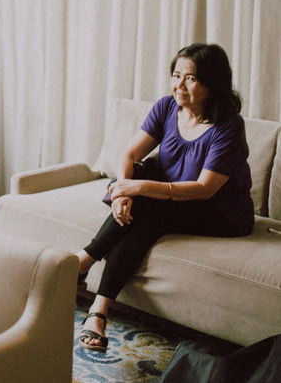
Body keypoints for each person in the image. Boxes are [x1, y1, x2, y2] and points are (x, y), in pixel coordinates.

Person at [76, 43, 254, 352]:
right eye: (176, 75)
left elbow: (205, 189)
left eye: (191, 78)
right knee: (143, 216)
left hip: (221, 212)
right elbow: (129, 154)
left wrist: (137, 188)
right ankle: (98, 310)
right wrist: (123, 193)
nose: (179, 85)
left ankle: (84, 262)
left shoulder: (229, 126)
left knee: (147, 205)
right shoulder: (167, 107)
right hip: (171, 201)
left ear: (212, 84)